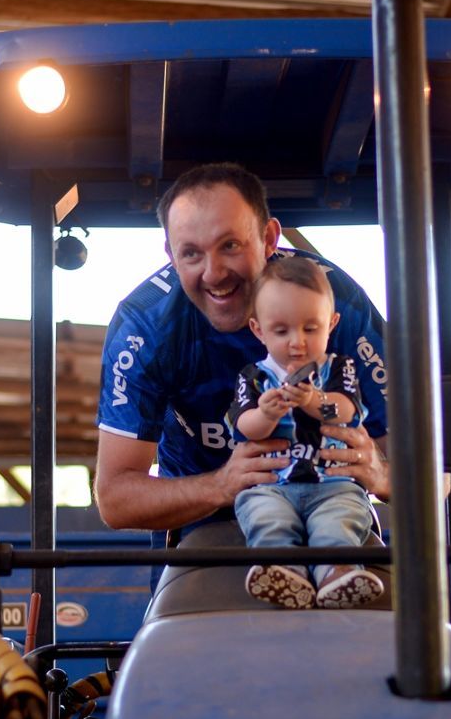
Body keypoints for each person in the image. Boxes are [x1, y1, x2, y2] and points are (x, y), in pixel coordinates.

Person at [93, 163, 391, 546]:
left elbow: (437, 476)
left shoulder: (336, 302)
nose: (214, 273)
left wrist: (380, 475)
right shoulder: (145, 325)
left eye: (230, 245)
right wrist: (223, 485)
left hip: (330, 513)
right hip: (201, 524)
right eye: (191, 254)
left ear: (269, 239)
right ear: (170, 254)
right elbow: (115, 500)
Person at [226, 256, 386, 609]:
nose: (297, 343)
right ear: (258, 330)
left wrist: (314, 401)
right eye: (281, 331)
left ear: (331, 324)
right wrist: (266, 414)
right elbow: (244, 427)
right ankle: (282, 571)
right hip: (273, 486)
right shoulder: (253, 377)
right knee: (265, 519)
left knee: (339, 523)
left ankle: (337, 574)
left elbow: (346, 411)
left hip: (333, 485)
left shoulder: (339, 368)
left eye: (310, 329)